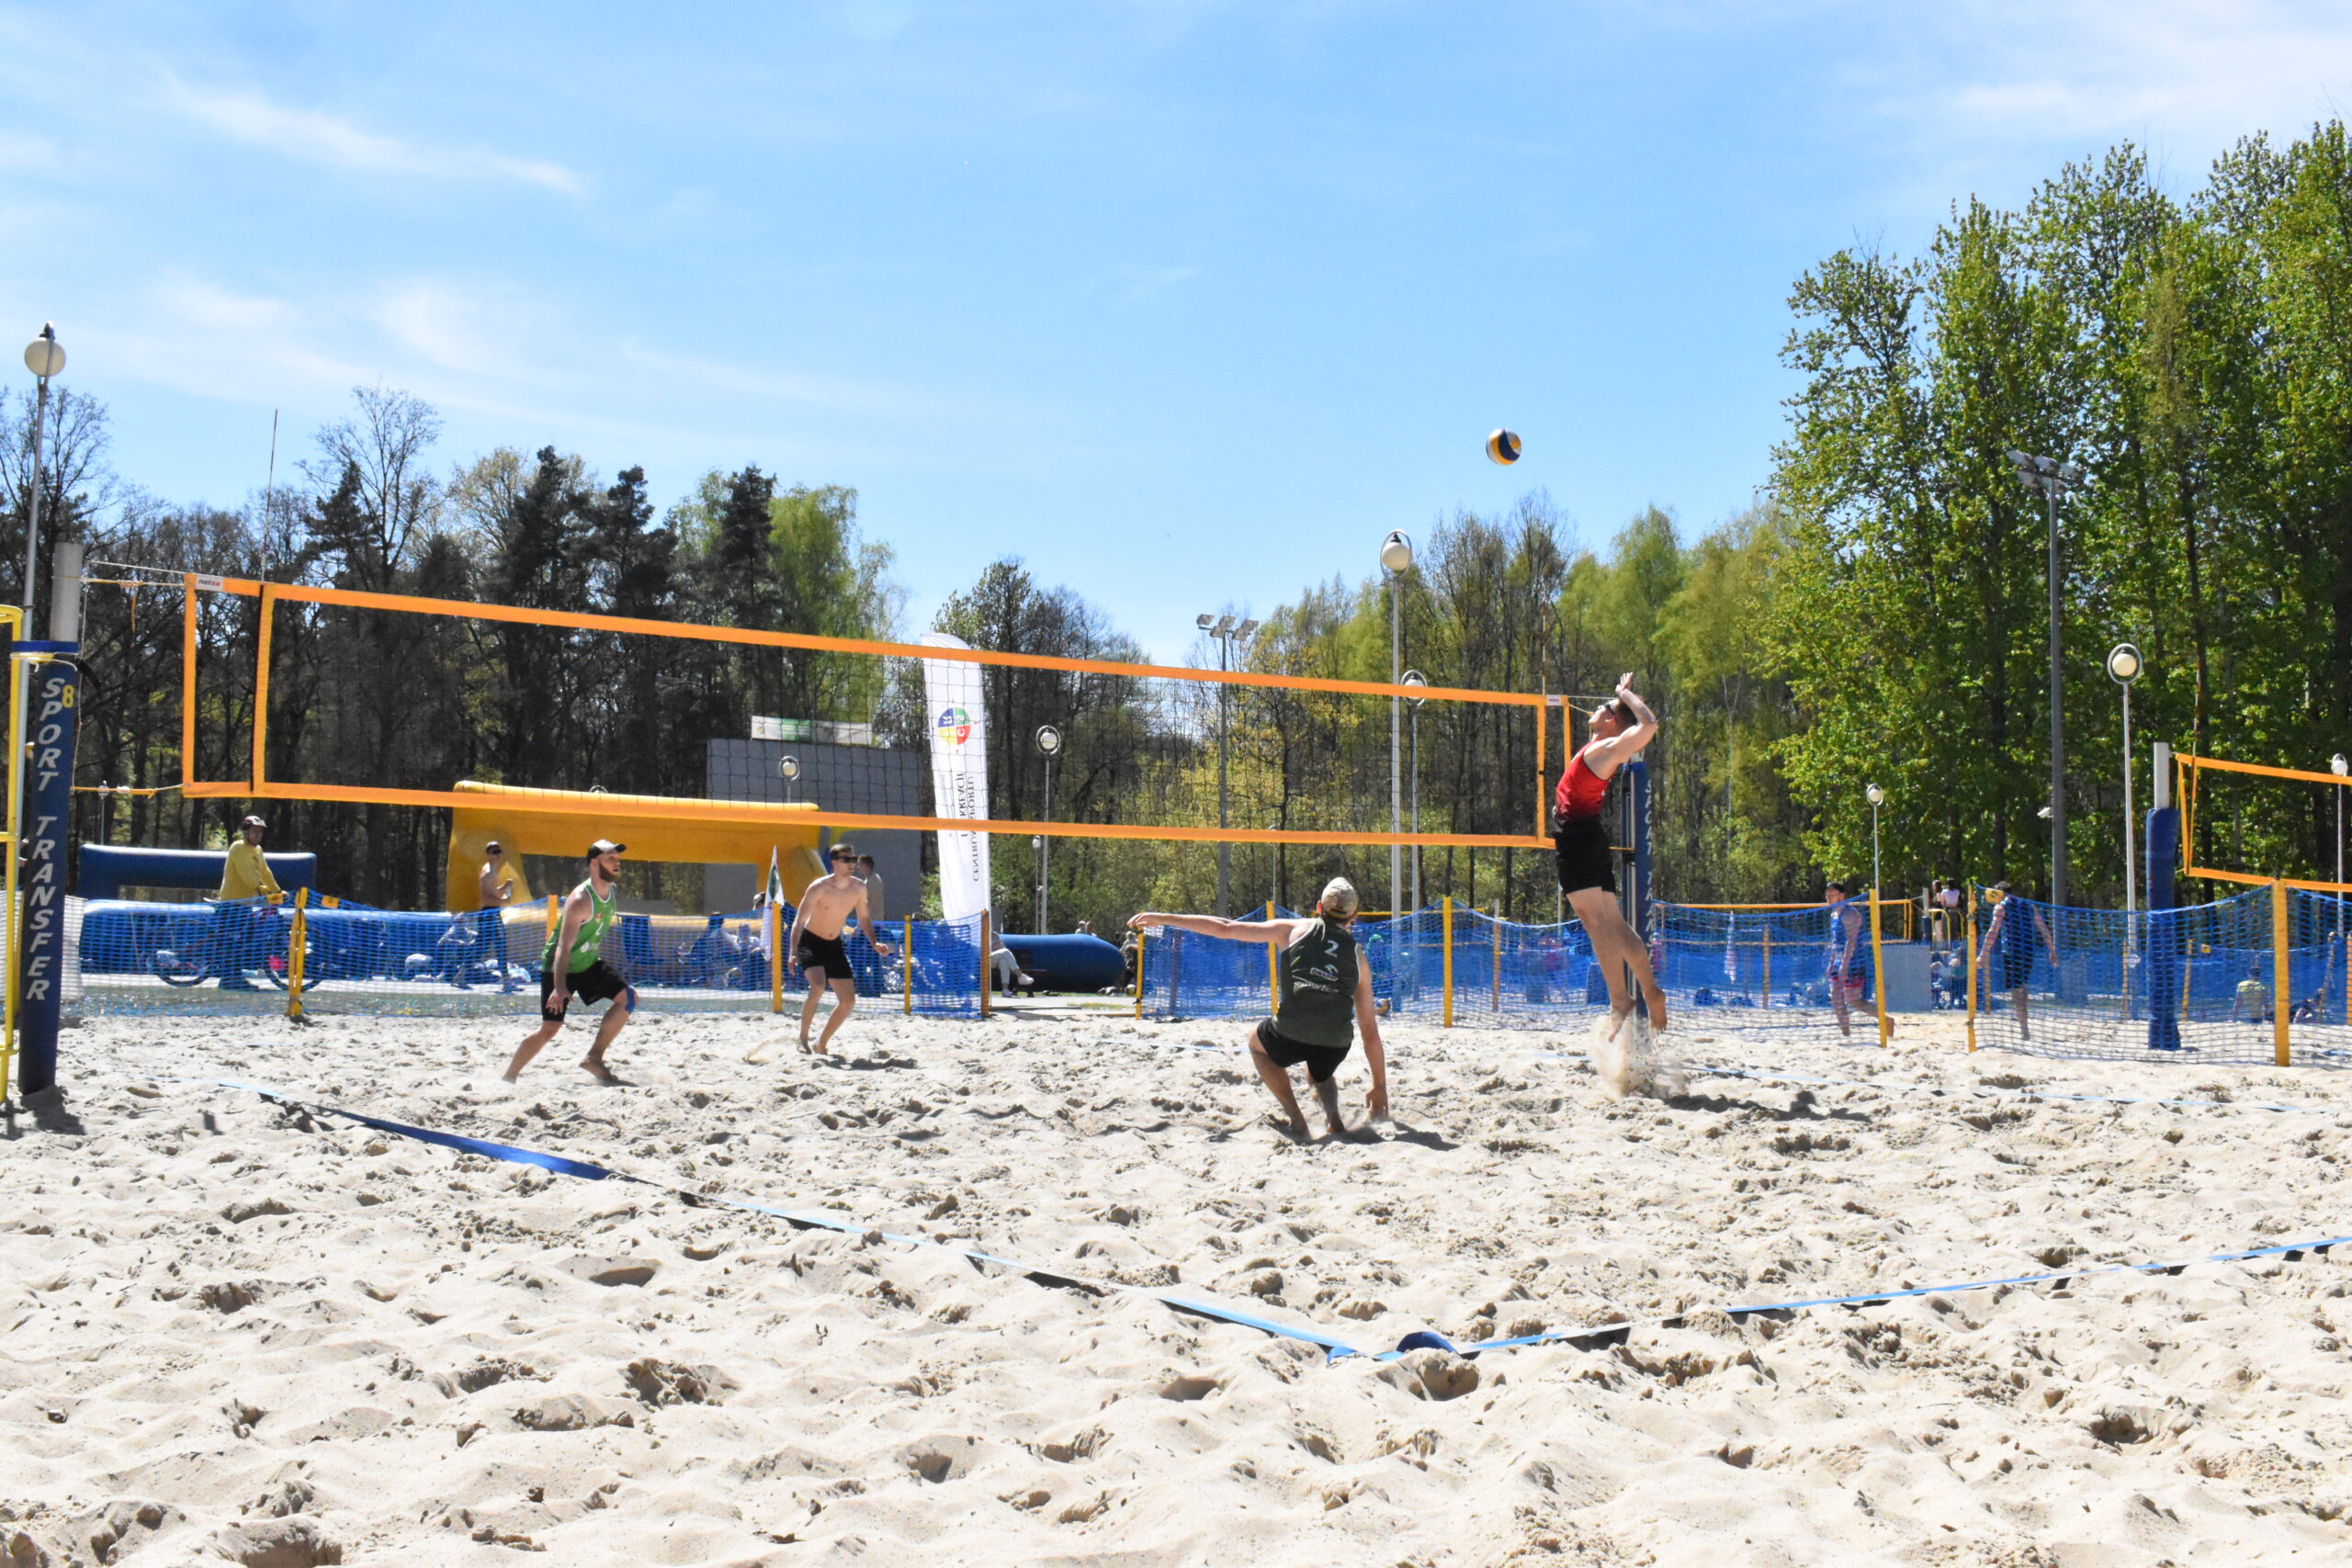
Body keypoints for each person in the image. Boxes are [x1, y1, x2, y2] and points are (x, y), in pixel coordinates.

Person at [1129, 876, 1389, 1139]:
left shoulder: (1293, 929)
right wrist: (1379, 1086)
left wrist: (1163, 918)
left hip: (1292, 1032)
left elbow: (1225, 928)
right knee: (1320, 1067)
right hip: (1335, 1044)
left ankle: (1297, 1119)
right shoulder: (1359, 958)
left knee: (1256, 1041)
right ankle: (1334, 1120)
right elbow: (1370, 1032)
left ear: (1319, 908)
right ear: (1354, 916)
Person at [1553, 675, 1668, 1036]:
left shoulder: (1607, 750)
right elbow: (1631, 722)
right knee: (1614, 924)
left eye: (1602, 708)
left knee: (1596, 923)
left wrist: (1623, 694)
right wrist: (1620, 698)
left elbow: (1648, 724)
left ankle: (1620, 999)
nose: (1595, 709)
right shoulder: (1598, 745)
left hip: (1578, 841)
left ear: (1610, 719)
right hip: (1588, 838)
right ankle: (1649, 990)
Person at [503, 840, 636, 1084]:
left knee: (628, 998)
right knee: (549, 1028)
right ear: (594, 863)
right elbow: (563, 947)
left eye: (617, 858)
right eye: (610, 858)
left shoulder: (610, 892)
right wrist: (559, 987)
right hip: (558, 967)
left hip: (586, 963)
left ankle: (594, 1057)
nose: (617, 862)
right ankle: (509, 1077)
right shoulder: (580, 900)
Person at [787, 842, 896, 1055]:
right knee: (818, 987)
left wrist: (874, 943)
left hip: (834, 944)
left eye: (853, 859)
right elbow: (798, 922)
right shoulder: (819, 887)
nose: (851, 863)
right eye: (846, 859)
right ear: (834, 863)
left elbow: (864, 919)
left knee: (848, 1001)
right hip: (811, 941)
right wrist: (792, 952)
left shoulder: (859, 887)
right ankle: (803, 1036)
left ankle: (821, 1043)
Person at [1975, 881, 2057, 1041]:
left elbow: (1992, 932)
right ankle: (2023, 1024)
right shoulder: (2029, 906)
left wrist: (1983, 955)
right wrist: (2052, 951)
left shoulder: (2001, 907)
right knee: (2022, 987)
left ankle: (2024, 1029)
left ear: (1999, 893)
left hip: (2012, 952)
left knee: (2017, 990)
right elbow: (2044, 929)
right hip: (2028, 951)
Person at [212, 815, 283, 989]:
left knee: (244, 941)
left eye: (260, 831)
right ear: (246, 832)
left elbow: (265, 872)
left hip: (245, 904)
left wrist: (277, 891)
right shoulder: (238, 847)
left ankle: (235, 978)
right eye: (254, 831)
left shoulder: (257, 850)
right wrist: (263, 890)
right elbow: (247, 876)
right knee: (232, 943)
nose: (258, 834)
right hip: (231, 904)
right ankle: (229, 980)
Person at [466, 840, 518, 991]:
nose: (498, 855)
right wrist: (504, 901)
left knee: (481, 947)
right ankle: (507, 982)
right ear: (488, 854)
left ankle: (461, 975)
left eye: (499, 851)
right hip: (490, 913)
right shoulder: (489, 872)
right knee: (500, 946)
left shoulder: (491, 870)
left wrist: (504, 887)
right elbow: (485, 898)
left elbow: (491, 892)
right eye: (495, 852)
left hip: (489, 913)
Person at [1825, 880, 1867, 1037]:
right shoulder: (1833, 914)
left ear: (1841, 896)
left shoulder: (1850, 913)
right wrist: (1831, 962)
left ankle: (1884, 1019)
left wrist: (1845, 965)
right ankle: (1846, 1034)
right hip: (1838, 961)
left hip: (1854, 962)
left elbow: (1851, 940)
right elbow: (1835, 941)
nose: (1829, 898)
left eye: (1832, 895)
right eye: (1827, 895)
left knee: (1853, 1001)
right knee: (1836, 998)